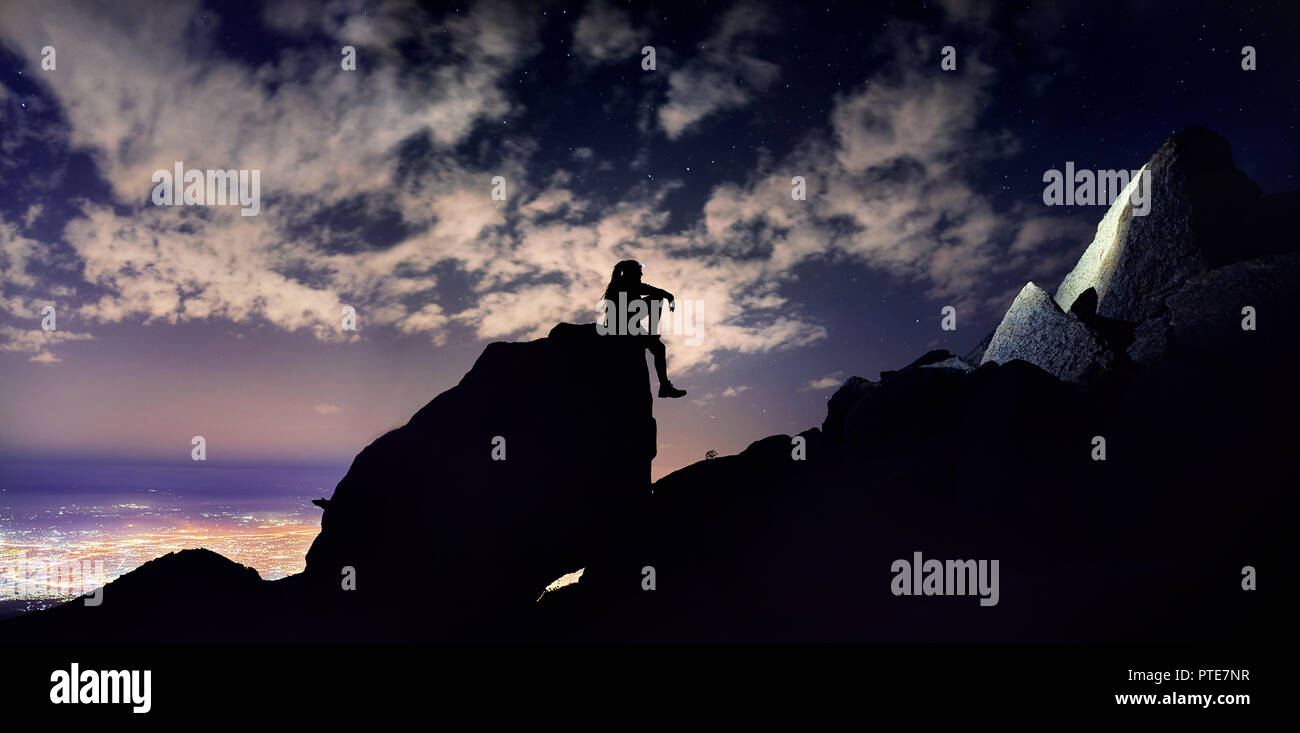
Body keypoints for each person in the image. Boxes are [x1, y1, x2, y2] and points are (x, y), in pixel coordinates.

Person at [600, 260, 687, 398]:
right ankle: (664, 386)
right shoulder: (625, 284)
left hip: (628, 327)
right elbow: (657, 293)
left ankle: (664, 386)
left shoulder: (626, 284)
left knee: (659, 348)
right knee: (657, 299)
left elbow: (656, 292)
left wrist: (669, 297)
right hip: (622, 330)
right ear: (631, 273)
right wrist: (669, 297)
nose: (641, 273)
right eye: (639, 271)